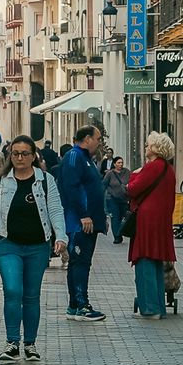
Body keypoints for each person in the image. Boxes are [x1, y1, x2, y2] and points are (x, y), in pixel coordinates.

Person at [0, 135, 68, 362]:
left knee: (31, 295)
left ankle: (30, 344)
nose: (19, 158)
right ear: (10, 156)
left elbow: (56, 210)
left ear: (33, 156)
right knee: (13, 290)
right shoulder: (1, 181)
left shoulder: (45, 180)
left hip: (38, 246)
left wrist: (61, 237)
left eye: (24, 154)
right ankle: (11, 343)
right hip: (7, 244)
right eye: (15, 154)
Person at [57, 126, 107, 322]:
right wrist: (84, 215)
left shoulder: (85, 158)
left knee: (80, 262)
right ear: (87, 138)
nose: (99, 142)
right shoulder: (74, 157)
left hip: (88, 222)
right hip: (79, 223)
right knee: (80, 262)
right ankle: (81, 305)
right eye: (97, 138)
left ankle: (75, 304)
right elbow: (73, 188)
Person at [128, 133, 177, 319]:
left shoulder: (153, 167)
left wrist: (134, 175)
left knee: (145, 261)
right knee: (156, 262)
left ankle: (149, 308)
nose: (146, 147)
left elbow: (132, 189)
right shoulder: (167, 169)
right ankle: (158, 307)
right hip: (161, 220)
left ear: (156, 148)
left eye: (148, 145)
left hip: (147, 220)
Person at [102, 154, 132, 244]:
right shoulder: (110, 174)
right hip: (112, 199)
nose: (121, 164)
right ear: (114, 164)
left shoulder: (127, 172)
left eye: (122, 162)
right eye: (118, 163)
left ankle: (121, 232)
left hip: (124, 199)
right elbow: (104, 185)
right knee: (115, 218)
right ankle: (117, 236)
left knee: (124, 217)